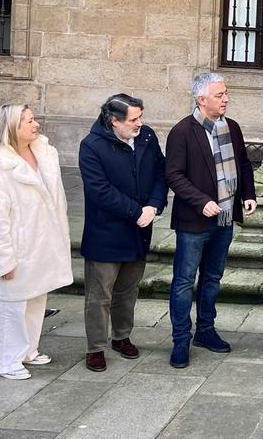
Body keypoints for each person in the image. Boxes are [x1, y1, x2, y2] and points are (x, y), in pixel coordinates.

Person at [165, 72, 257, 368]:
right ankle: (181, 340)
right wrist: (201, 201)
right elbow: (174, 176)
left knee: (213, 278)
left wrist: (248, 194)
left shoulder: (232, 127)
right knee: (183, 282)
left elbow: (243, 163)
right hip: (194, 222)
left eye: (226, 93)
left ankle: (206, 330)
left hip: (225, 218)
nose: (226, 98)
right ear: (201, 99)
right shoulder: (183, 131)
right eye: (220, 95)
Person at [0, 104, 73, 380]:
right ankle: (7, 360)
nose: (36, 125)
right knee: (13, 305)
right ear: (13, 128)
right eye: (29, 121)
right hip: (18, 246)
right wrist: (1, 259)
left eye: (34, 119)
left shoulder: (43, 153)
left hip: (42, 243)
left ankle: (29, 349)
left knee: (37, 298)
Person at [78, 93, 167, 372]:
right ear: (114, 121)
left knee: (128, 289)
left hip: (140, 230)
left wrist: (154, 205)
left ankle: (121, 336)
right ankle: (96, 347)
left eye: (141, 117)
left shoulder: (147, 137)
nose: (140, 123)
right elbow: (99, 190)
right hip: (106, 232)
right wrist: (136, 211)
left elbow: (161, 173)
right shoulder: (91, 146)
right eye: (133, 119)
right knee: (99, 294)